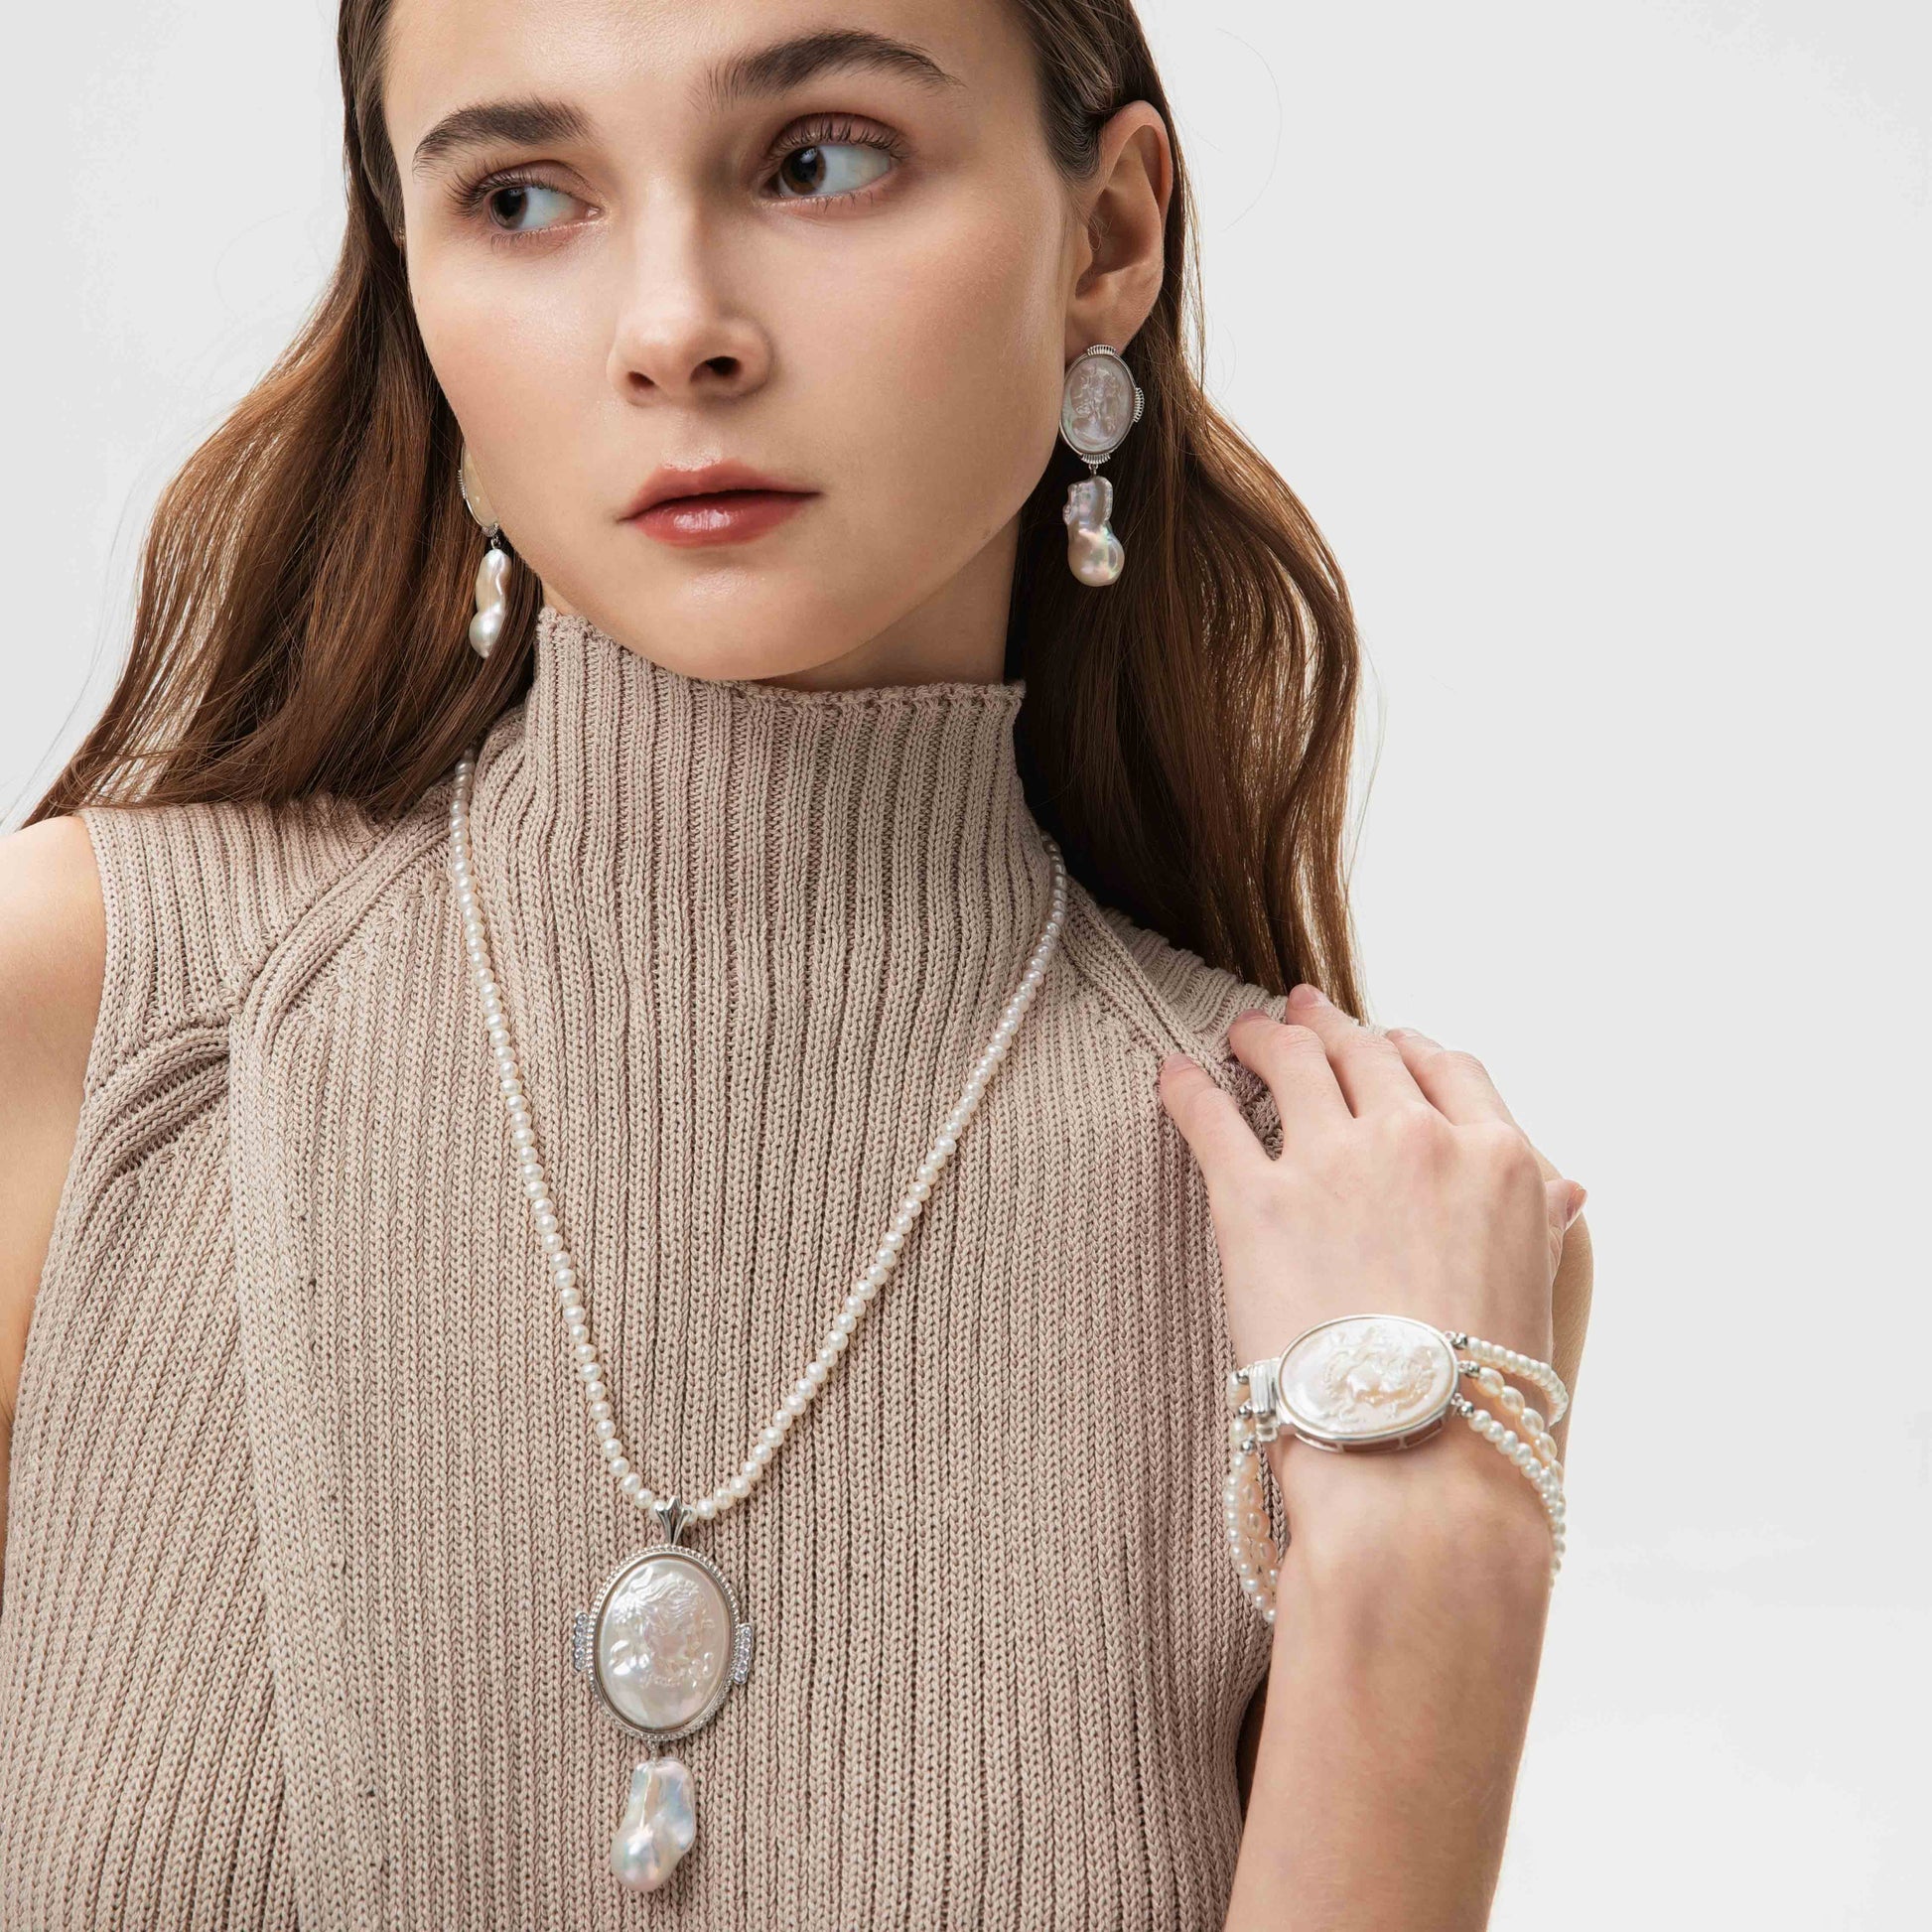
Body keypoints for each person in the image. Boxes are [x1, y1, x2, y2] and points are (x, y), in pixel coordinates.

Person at [0, 2, 1593, 1925]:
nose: (674, 325)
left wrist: (1433, 1566)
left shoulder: (1338, 1273)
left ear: (1107, 239)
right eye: (522, 196)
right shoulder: (95, 1031)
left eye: (817, 158)